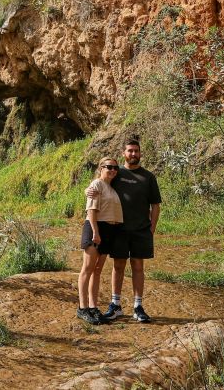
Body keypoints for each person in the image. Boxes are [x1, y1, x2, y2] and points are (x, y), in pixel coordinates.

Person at [89, 138, 162, 323]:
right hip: (118, 230)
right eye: (130, 151)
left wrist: (151, 229)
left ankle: (138, 307)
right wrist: (87, 191)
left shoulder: (148, 177)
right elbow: (99, 183)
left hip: (141, 230)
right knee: (118, 266)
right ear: (124, 153)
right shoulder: (116, 172)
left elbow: (156, 205)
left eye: (136, 151)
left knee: (138, 266)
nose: (133, 154)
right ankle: (116, 305)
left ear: (140, 153)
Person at [77, 157, 123, 325]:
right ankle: (83, 309)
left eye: (115, 168)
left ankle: (93, 307)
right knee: (87, 269)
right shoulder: (96, 184)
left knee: (97, 271)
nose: (112, 170)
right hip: (95, 227)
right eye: (109, 167)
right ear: (101, 168)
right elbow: (91, 210)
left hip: (109, 230)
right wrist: (96, 232)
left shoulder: (112, 187)